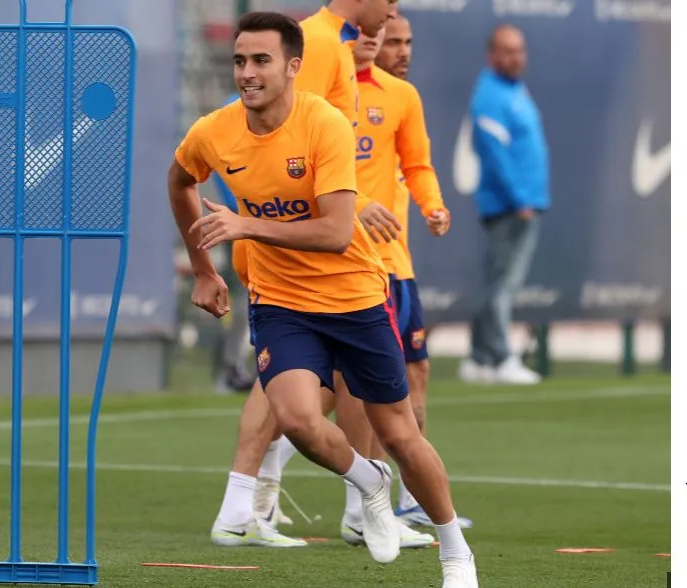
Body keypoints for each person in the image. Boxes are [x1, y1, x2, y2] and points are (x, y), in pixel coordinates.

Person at [168, 12, 479, 586]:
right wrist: (204, 272)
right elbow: (180, 180)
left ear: (293, 67)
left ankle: (455, 552)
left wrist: (246, 225)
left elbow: (336, 232)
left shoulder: (325, 124)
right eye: (239, 60)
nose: (247, 72)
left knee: (400, 435)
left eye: (261, 60)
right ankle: (367, 481)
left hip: (353, 295)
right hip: (280, 301)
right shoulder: (214, 130)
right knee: (296, 419)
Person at [212, 0, 401, 545]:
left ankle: (266, 503)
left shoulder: (339, 45)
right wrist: (353, 204)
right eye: (390, 4)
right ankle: (255, 502)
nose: (391, 13)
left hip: (317, 249)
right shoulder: (314, 43)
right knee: (285, 387)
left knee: (325, 386)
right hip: (294, 255)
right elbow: (280, 142)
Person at [372, 14, 474, 530]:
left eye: (408, 42)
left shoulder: (402, 98)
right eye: (393, 41)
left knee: (414, 374)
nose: (404, 50)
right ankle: (260, 485)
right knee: (340, 393)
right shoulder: (340, 98)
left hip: (399, 265)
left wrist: (433, 206)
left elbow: (417, 166)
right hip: (361, 266)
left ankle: (409, 500)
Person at [458, 24, 549, 386]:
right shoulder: (491, 95)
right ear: (491, 55)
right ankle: (502, 358)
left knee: (497, 282)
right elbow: (495, 155)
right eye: (508, 51)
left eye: (520, 50)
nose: (517, 57)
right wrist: (519, 199)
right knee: (502, 287)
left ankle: (479, 358)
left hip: (522, 203)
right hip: (510, 205)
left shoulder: (514, 88)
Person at [212, 92, 254, 395]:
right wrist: (240, 214)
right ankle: (232, 367)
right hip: (242, 225)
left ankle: (241, 364)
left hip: (266, 221)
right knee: (243, 295)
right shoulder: (230, 110)